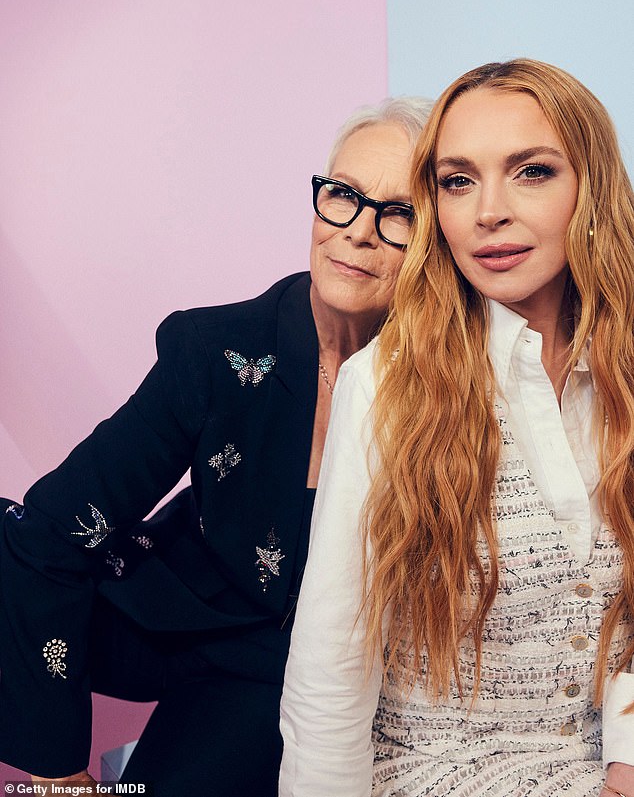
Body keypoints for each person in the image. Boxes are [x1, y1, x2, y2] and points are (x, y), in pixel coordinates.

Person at [0, 95, 433, 795]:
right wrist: (57, 771)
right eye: (344, 196)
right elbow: (52, 527)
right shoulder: (214, 349)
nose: (359, 232)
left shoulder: (452, 382)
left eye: (400, 213)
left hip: (277, 671)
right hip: (170, 615)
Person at [279, 60, 634, 797]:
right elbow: (331, 671)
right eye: (457, 180)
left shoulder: (626, 368)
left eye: (531, 171)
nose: (487, 212)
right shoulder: (384, 384)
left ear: (592, 187)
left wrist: (626, 763)